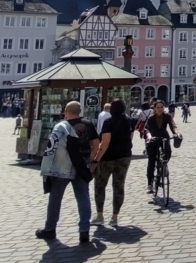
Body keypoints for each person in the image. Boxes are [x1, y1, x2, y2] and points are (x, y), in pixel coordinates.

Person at [35, 101, 94, 242]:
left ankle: (50, 229)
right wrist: (92, 162)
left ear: (66, 111)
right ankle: (84, 230)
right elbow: (96, 144)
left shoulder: (60, 127)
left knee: (55, 198)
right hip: (81, 165)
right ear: (80, 111)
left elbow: (52, 148)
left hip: (62, 167)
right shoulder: (88, 124)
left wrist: (47, 168)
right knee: (83, 198)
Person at [91, 99, 132, 228]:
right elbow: (130, 138)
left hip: (107, 158)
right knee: (119, 186)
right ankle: (114, 217)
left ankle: (100, 215)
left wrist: (96, 159)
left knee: (100, 186)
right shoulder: (129, 120)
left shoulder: (108, 122)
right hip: (124, 156)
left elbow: (105, 144)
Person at [143, 100, 181, 194]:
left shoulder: (167, 116)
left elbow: (173, 124)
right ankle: (150, 184)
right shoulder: (151, 118)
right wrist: (149, 137)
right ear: (155, 109)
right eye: (158, 107)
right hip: (153, 140)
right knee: (151, 161)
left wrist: (176, 133)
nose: (160, 109)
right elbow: (146, 129)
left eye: (162, 107)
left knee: (168, 153)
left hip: (164, 137)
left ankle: (164, 166)